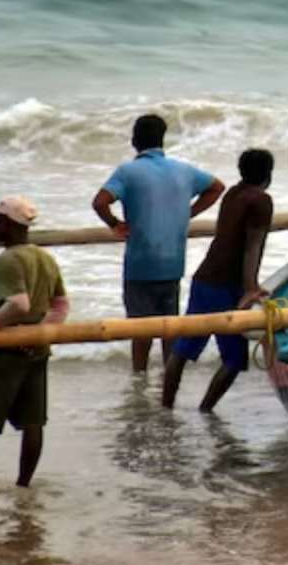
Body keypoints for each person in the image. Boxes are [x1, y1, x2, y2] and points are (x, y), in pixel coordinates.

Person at [92, 113, 225, 372]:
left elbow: (99, 202)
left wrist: (115, 224)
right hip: (173, 263)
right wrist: (189, 212)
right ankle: (168, 380)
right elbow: (217, 187)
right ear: (162, 140)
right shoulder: (184, 170)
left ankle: (139, 380)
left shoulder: (127, 171)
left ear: (134, 141)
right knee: (169, 328)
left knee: (140, 331)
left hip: (141, 264)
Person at [0, 196, 69, 492]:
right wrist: (38, 335)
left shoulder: (9, 260)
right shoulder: (45, 257)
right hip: (37, 351)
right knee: (33, 421)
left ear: (7, 224)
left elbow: (18, 304)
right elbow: (61, 305)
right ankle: (23, 487)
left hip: (3, 354)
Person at [163, 149, 275, 412]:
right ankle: (205, 410)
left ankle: (165, 408)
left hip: (204, 279)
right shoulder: (261, 200)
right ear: (268, 174)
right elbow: (253, 245)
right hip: (226, 286)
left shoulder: (233, 194)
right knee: (235, 358)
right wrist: (250, 288)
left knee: (183, 348)